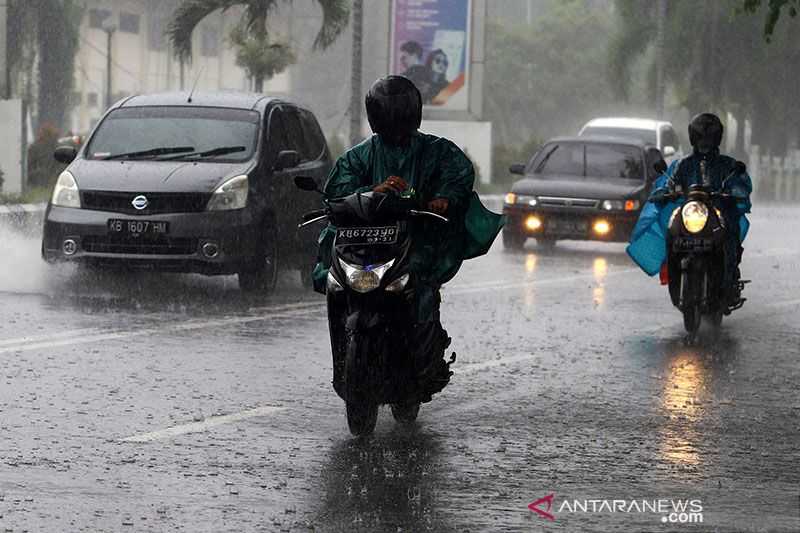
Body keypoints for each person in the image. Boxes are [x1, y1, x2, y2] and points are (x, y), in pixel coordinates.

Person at [313, 75, 504, 398]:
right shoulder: (359, 157)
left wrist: (443, 197)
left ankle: (424, 359)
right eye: (388, 115)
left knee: (421, 291)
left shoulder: (435, 151)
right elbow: (338, 191)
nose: (394, 123)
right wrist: (372, 191)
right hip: (363, 245)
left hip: (414, 240)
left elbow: (458, 174)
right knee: (334, 281)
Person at [628, 112, 752, 305]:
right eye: (701, 136)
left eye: (709, 137)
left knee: (730, 234)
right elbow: (667, 183)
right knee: (672, 230)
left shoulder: (728, 165)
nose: (705, 142)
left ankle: (729, 277)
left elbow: (740, 184)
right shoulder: (681, 164)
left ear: (717, 137)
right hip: (691, 212)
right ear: (693, 137)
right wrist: (664, 192)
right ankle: (672, 271)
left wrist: (735, 191)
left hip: (718, 213)